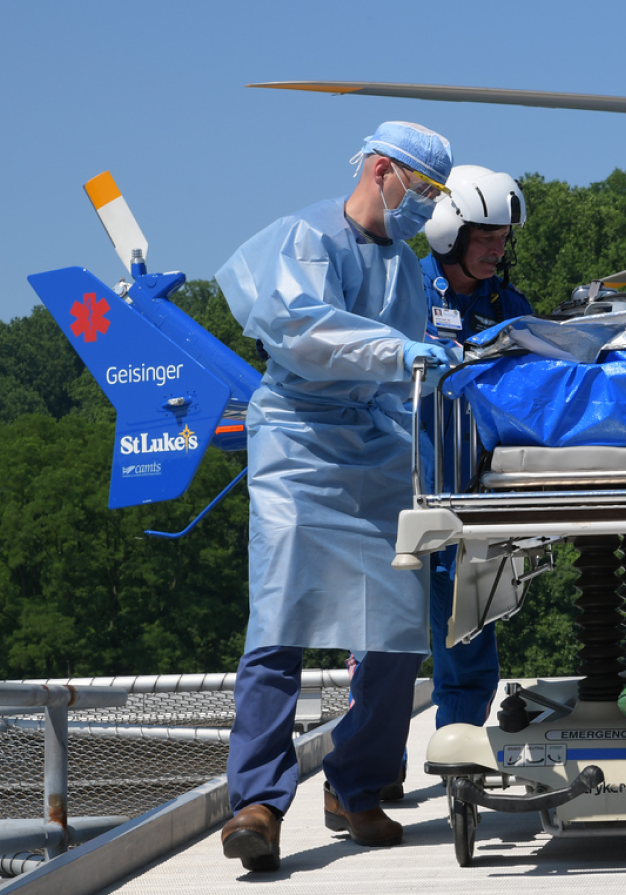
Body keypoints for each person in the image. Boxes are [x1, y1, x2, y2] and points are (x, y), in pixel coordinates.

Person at [212, 121, 455, 873]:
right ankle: (257, 804)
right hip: (296, 442)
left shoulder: (408, 269)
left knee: (396, 627)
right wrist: (396, 352)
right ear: (381, 169)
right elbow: (303, 331)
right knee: (278, 624)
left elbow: (401, 378)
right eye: (422, 189)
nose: (426, 207)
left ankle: (357, 784)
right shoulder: (307, 238)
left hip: (373, 446)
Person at [416, 165, 533, 729]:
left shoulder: (510, 307)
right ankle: (364, 776)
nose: (496, 248)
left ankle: (453, 749)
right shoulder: (396, 292)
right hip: (402, 490)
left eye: (502, 237)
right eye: (485, 237)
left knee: (468, 633)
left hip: (475, 497)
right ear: (449, 235)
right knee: (379, 643)